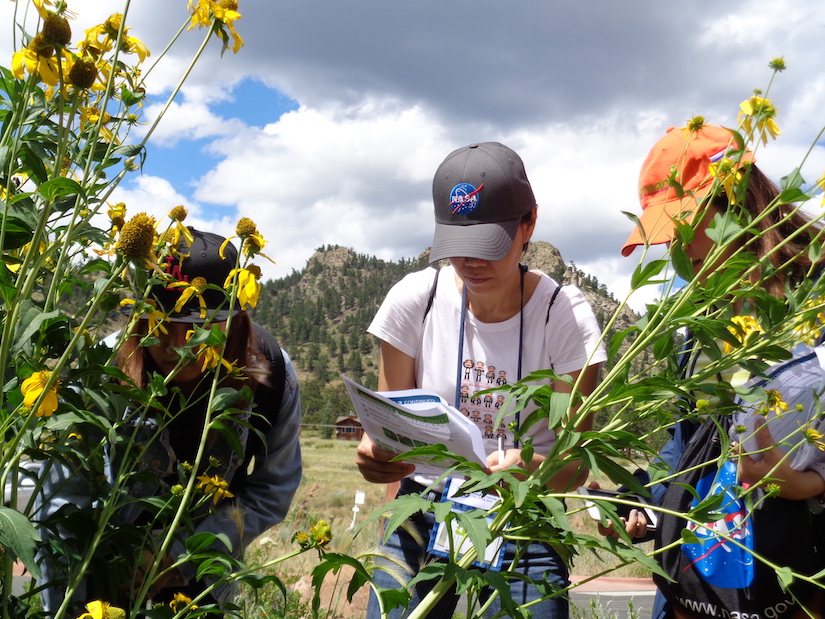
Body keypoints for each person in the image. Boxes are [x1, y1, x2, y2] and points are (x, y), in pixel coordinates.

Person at [356, 142, 607, 618]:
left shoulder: (565, 316)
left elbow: (577, 463)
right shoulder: (415, 299)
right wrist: (378, 458)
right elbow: (389, 429)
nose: (471, 263)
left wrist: (530, 469)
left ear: (528, 224)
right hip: (425, 503)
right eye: (457, 248)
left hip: (524, 513)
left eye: (487, 246)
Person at [615, 123, 825, 619]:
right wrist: (645, 499)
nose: (680, 249)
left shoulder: (814, 297)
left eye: (687, 226)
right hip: (696, 586)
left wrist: (809, 485)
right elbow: (687, 441)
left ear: (737, 202)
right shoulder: (698, 323)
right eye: (669, 234)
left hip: (799, 582)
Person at [37, 228, 302, 614]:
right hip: (98, 576)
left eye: (197, 326)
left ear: (234, 319)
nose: (178, 345)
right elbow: (64, 498)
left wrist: (178, 556)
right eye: (161, 322)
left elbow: (272, 490)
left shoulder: (273, 375)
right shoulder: (102, 370)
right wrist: (63, 607)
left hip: (202, 585)